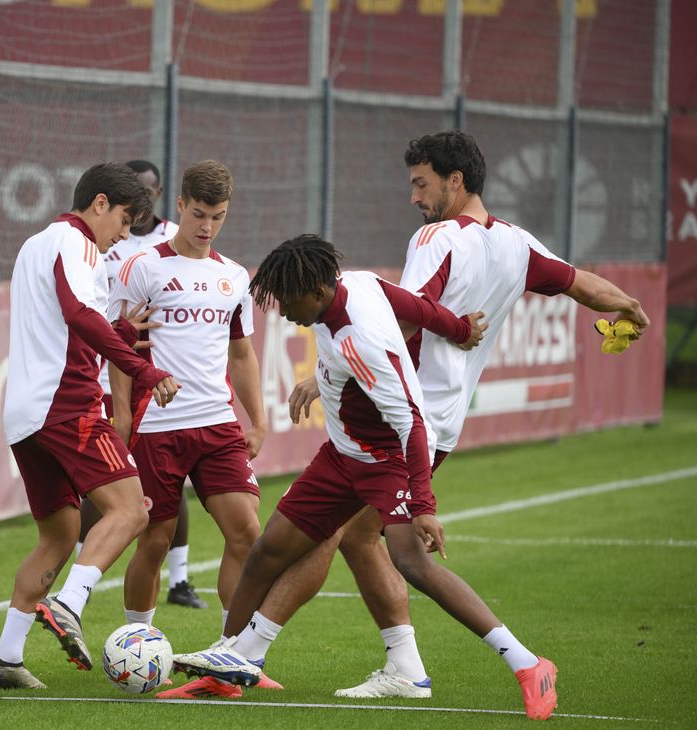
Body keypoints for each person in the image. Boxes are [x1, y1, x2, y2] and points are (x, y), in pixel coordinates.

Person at [213, 129, 651, 705]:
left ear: (455, 180)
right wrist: (630, 306)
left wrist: (333, 374)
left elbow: (401, 317)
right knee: (354, 538)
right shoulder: (518, 244)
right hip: (441, 421)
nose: (415, 197)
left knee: (361, 542)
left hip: (396, 419)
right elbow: (581, 285)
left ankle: (244, 657)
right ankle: (396, 665)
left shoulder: (438, 236)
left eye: (421, 184)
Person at [173, 235, 560, 721]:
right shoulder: (357, 284)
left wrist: (423, 505)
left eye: (288, 302)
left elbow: (413, 421)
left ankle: (528, 664)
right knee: (267, 549)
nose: (285, 313)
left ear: (315, 289)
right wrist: (459, 327)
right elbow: (417, 306)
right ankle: (230, 660)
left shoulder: (360, 341)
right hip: (338, 459)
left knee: (413, 564)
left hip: (384, 465)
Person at [0, 162, 181, 690]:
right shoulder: (79, 244)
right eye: (123, 220)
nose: (123, 234)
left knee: (59, 536)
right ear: (99, 204)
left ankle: (6, 656)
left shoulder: (36, 244)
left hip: (26, 413)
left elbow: (62, 318)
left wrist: (117, 328)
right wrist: (142, 367)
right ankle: (68, 603)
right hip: (66, 404)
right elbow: (76, 315)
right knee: (133, 509)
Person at [105, 160, 267, 700]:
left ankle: (230, 657)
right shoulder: (143, 267)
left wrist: (258, 418)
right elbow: (119, 346)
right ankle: (136, 642)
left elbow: (241, 351)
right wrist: (123, 414)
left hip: (217, 424)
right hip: (159, 427)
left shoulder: (234, 276)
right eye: (198, 214)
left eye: (217, 217)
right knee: (152, 541)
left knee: (246, 533)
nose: (206, 226)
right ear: (179, 206)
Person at [78, 159, 206, 610]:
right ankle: (82, 571)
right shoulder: (98, 240)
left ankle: (181, 578)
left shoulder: (175, 240)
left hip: (154, 374)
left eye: (152, 191)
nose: (146, 200)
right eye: (139, 192)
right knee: (101, 475)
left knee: (168, 480)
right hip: (106, 364)